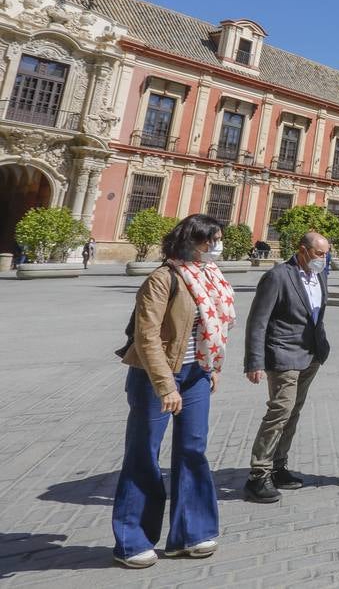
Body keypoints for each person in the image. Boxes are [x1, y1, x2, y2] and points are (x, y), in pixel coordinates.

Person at [113, 214, 235, 568]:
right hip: (156, 375)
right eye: (210, 240)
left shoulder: (211, 277)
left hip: (196, 373)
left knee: (193, 450)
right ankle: (132, 540)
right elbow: (146, 337)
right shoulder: (162, 278)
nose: (215, 247)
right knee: (143, 454)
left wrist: (211, 367)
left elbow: (213, 329)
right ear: (190, 241)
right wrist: (165, 384)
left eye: (217, 240)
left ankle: (190, 534)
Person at [242, 231, 331, 504]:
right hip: (283, 355)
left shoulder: (320, 276)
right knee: (279, 411)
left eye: (326, 254)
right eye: (319, 254)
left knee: (293, 412)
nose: (323, 259)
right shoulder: (278, 276)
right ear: (302, 250)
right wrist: (254, 361)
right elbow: (258, 321)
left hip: (311, 355)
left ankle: (278, 466)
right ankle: (259, 473)